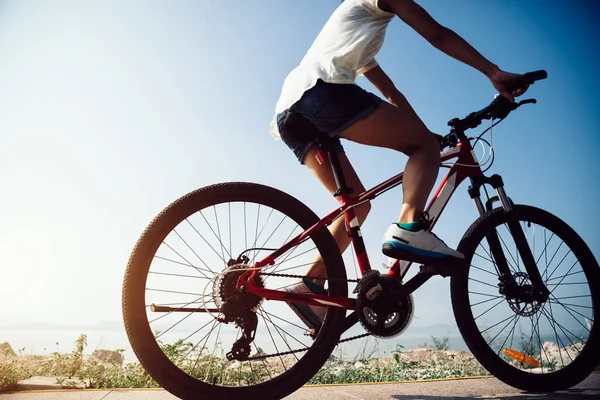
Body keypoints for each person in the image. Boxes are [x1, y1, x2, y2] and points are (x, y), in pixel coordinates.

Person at [270, 0, 529, 331]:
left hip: (291, 114)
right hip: (323, 92)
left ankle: (310, 284)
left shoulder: (358, 40)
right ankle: (408, 229)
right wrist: (494, 72)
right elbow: (436, 33)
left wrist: (427, 138)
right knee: (419, 148)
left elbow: (393, 95)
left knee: (357, 205)